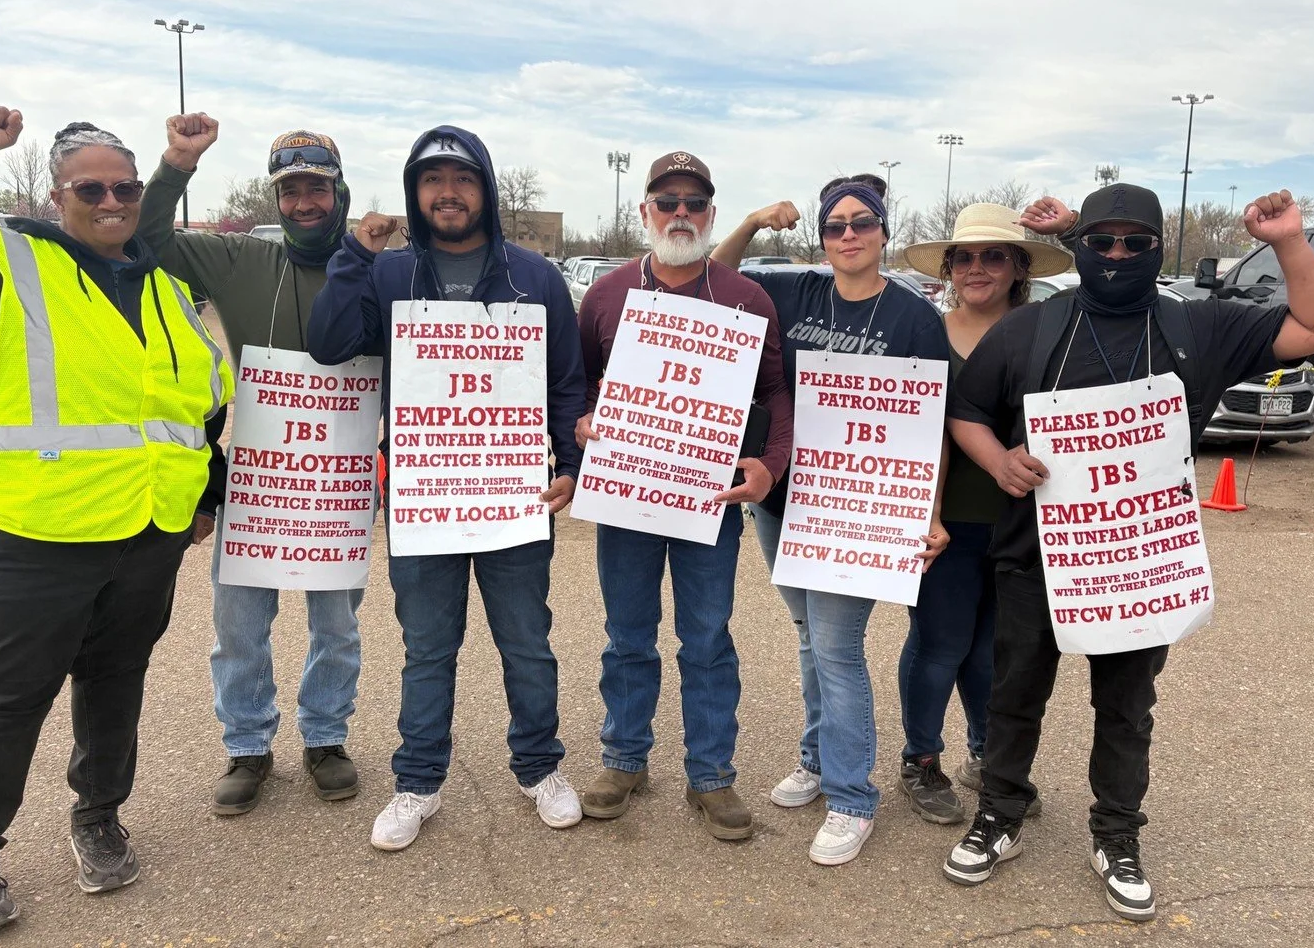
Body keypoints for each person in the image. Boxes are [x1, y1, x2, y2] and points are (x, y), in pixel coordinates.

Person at [941, 184, 1314, 920]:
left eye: (1137, 242)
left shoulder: (1200, 325)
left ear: (1160, 249)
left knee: (1126, 708)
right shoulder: (1034, 328)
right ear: (1080, 247)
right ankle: (999, 814)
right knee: (1014, 696)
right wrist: (1000, 461)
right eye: (1102, 241)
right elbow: (966, 410)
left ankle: (1118, 834)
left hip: (1140, 562)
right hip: (1036, 556)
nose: (1118, 255)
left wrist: (1288, 238)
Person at [0, 105, 232, 937]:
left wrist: (204, 495)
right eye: (89, 186)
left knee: (114, 680)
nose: (111, 199)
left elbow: (196, 407)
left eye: (124, 186)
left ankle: (98, 816)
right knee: (7, 698)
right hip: (22, 531)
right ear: (57, 196)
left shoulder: (165, 288)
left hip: (143, 530)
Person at [307, 125, 586, 850]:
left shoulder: (536, 276)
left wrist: (568, 464)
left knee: (527, 642)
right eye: (432, 180)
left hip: (513, 496)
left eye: (462, 179)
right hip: (427, 499)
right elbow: (330, 344)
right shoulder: (389, 272)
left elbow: (563, 383)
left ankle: (539, 767)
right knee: (428, 646)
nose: (448, 192)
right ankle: (418, 780)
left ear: (485, 189)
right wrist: (352, 256)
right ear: (415, 191)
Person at [708, 174, 948, 864]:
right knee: (808, 632)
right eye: (835, 224)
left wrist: (928, 510)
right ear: (821, 235)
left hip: (857, 510)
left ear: (883, 231)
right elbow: (711, 282)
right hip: (784, 503)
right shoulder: (794, 291)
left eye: (861, 222)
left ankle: (851, 795)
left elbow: (927, 426)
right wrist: (753, 220)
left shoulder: (913, 318)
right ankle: (816, 758)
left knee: (838, 646)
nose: (848, 234)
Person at [137, 116, 367, 815]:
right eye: (291, 189)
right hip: (260, 476)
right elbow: (147, 240)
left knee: (337, 625)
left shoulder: (375, 265)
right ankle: (247, 745)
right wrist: (177, 165)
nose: (304, 202)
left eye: (317, 188)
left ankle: (325, 736)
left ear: (340, 191)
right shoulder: (239, 261)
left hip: (340, 481)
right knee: (239, 625)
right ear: (277, 198)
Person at [577, 152, 793, 843]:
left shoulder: (745, 298)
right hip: (629, 496)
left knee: (706, 637)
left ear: (711, 215)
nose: (679, 213)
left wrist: (769, 464)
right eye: (666, 200)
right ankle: (624, 758)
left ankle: (712, 774)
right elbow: (579, 382)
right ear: (644, 211)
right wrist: (581, 423)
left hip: (711, 498)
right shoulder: (608, 294)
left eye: (694, 203)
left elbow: (775, 393)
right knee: (627, 635)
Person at [895, 204, 1070, 825]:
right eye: (964, 257)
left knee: (997, 651)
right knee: (940, 642)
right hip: (943, 518)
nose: (977, 268)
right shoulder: (926, 333)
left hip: (1026, 519)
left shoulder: (1047, 330)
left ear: (1019, 266)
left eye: (994, 255)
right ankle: (920, 758)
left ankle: (985, 754)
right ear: (947, 269)